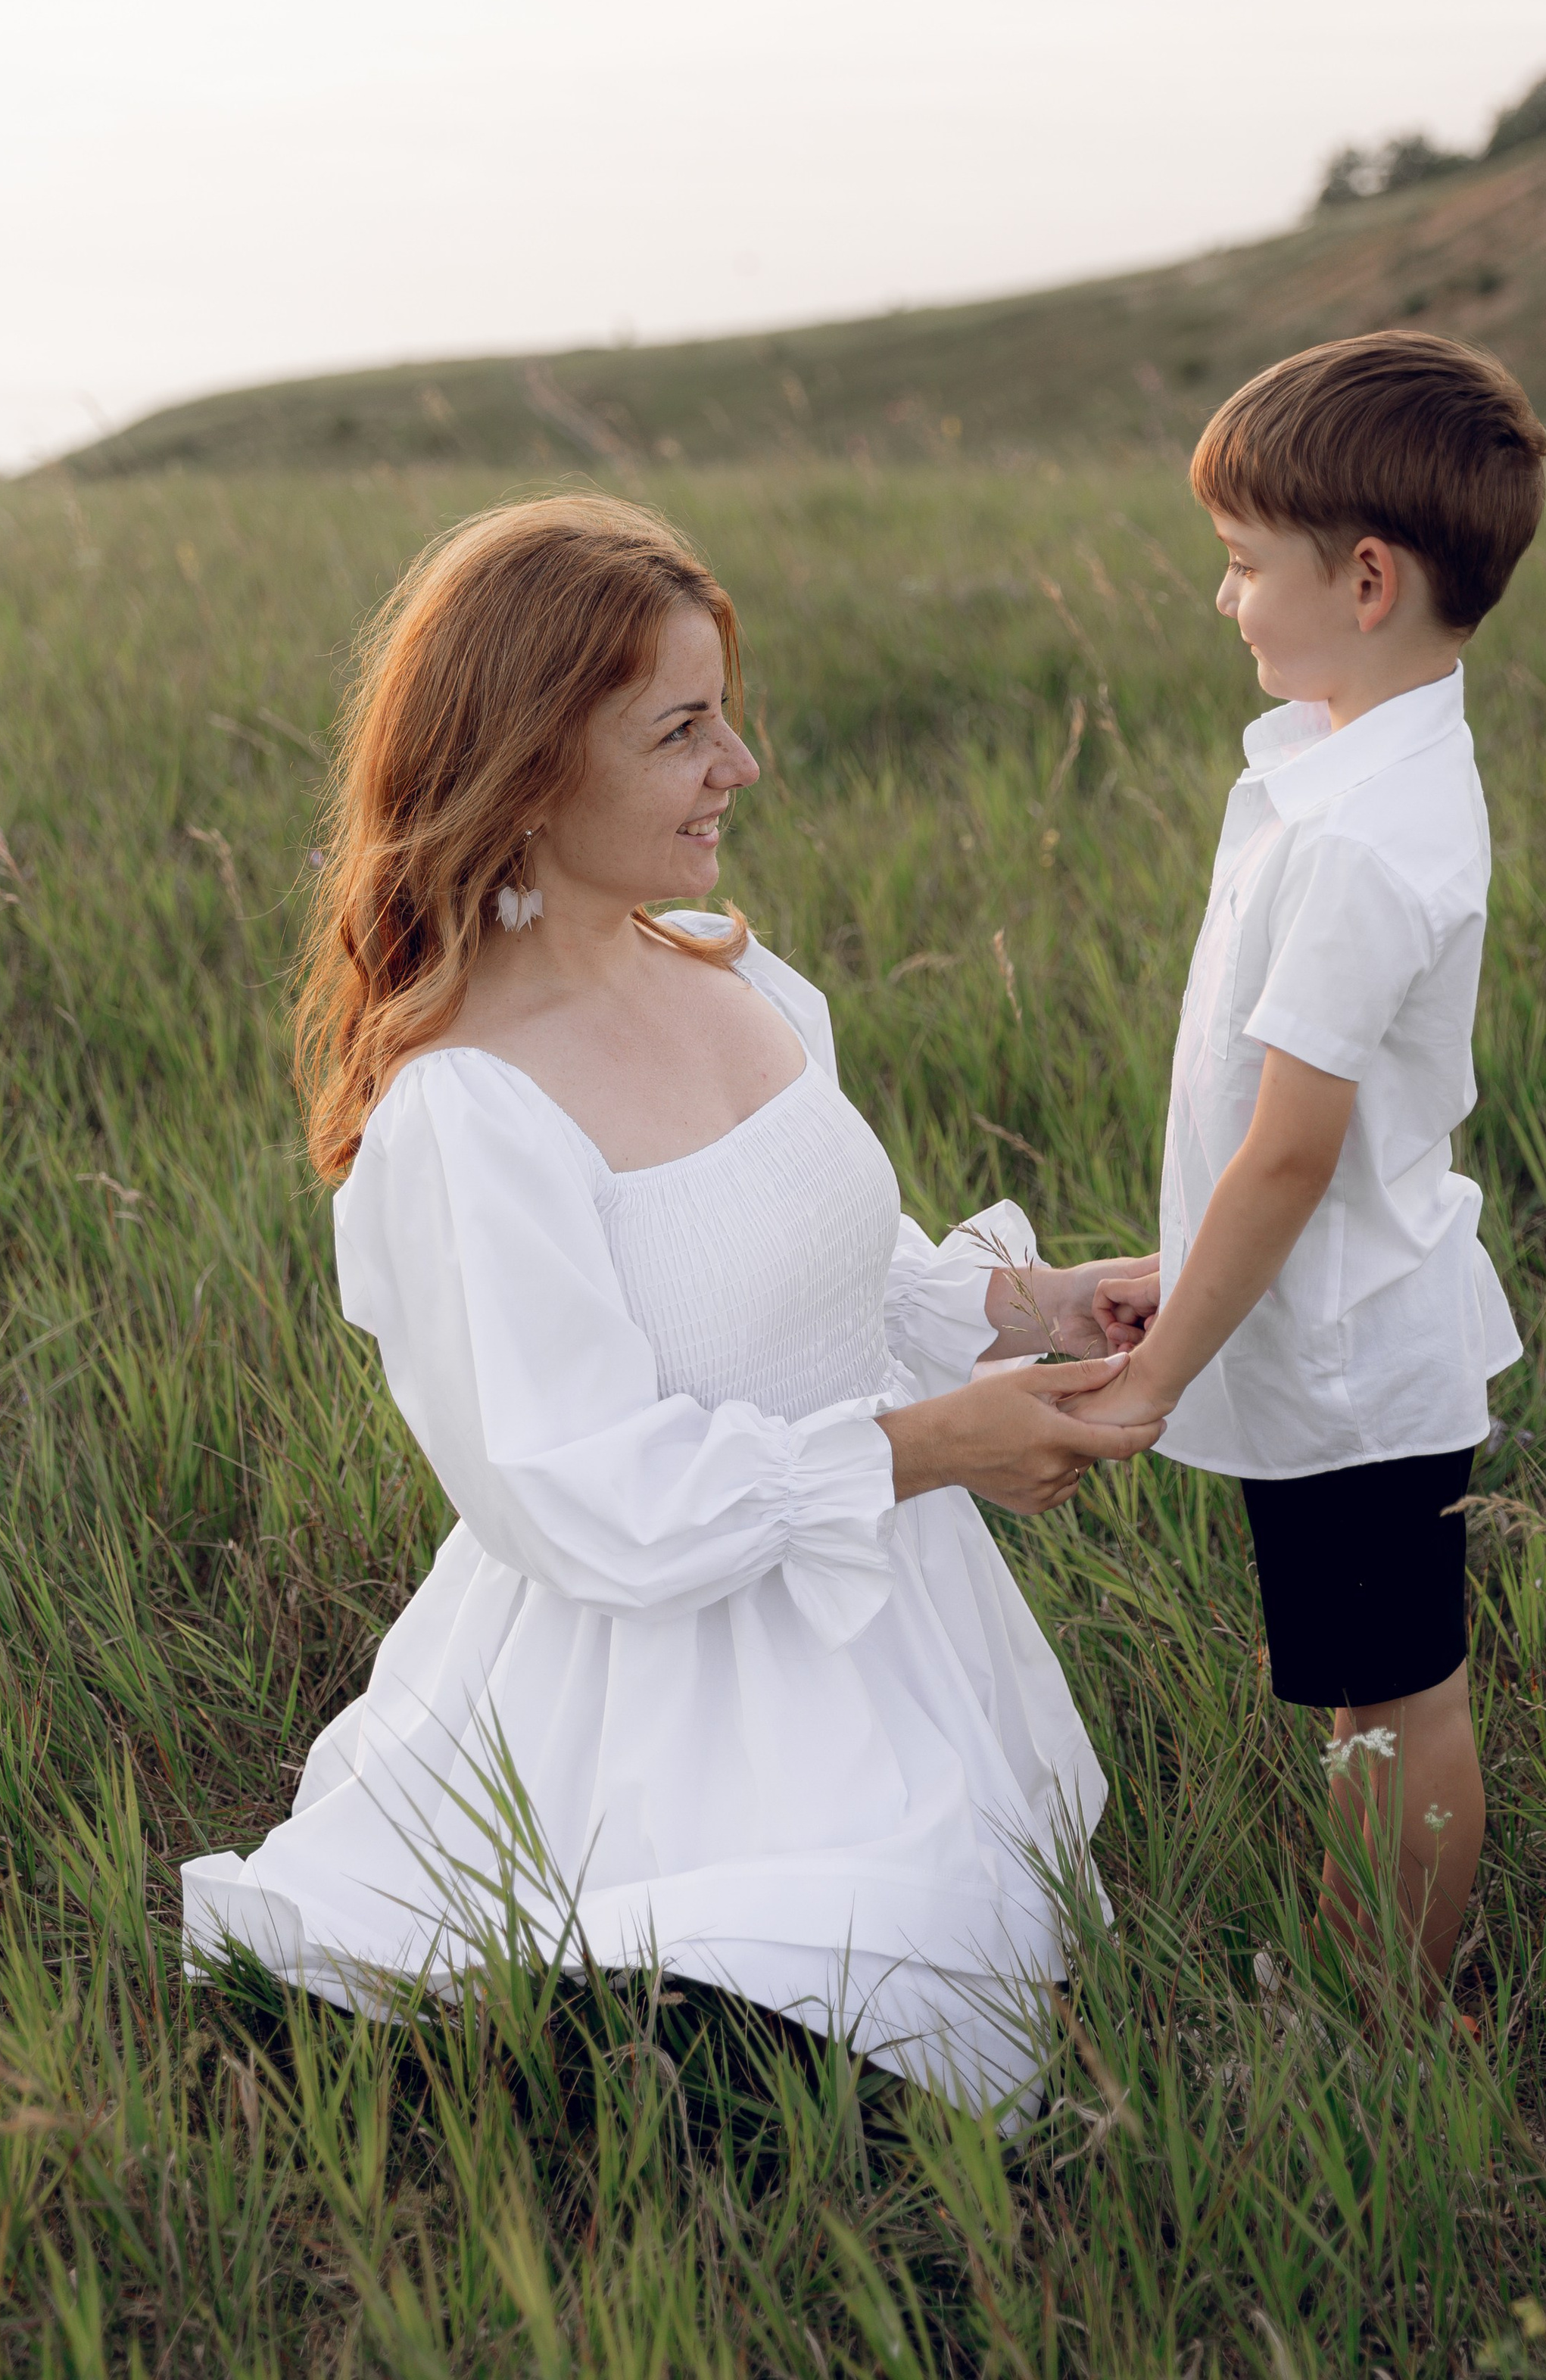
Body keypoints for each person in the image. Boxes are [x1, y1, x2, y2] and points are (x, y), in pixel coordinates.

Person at [182, 495, 1164, 2109]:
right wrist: (930, 1450)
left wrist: (1031, 1305)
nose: (741, 765)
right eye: (681, 731)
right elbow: (585, 1497)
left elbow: (816, 1278)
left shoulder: (734, 972)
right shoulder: (468, 1114)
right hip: (661, 1688)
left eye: (727, 714)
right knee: (842, 2040)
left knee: (984, 1985)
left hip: (879, 1622)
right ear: (530, 767)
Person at [1093, 332, 1546, 2007]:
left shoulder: (1365, 832)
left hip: (1347, 1352)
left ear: (1364, 578)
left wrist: (1159, 1372)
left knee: (1401, 1694)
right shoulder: (1345, 766)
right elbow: (1251, 1133)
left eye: (1236, 566)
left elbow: (1289, 1152)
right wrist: (1177, 1271)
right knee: (1351, 1684)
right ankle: (1365, 1962)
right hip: (1320, 1327)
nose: (1221, 601)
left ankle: (1394, 2024)